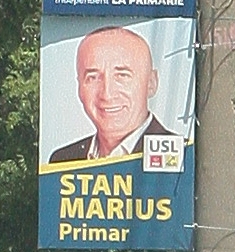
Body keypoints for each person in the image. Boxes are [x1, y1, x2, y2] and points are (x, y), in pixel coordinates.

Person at [49, 26, 177, 163]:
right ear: (79, 87)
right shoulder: (63, 161)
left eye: (122, 75)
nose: (107, 94)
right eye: (93, 77)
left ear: (151, 83)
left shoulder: (181, 155)